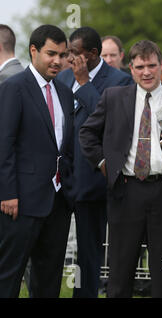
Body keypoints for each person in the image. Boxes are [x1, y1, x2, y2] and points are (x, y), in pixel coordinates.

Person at [79, 39, 162, 298]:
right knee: (119, 273)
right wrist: (105, 165)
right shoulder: (113, 97)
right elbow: (87, 133)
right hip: (126, 191)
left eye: (151, 65)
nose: (146, 72)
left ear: (161, 66)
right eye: (139, 67)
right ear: (131, 69)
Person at [57, 26, 133, 298]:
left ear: (91, 54)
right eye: (68, 53)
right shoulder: (63, 78)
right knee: (54, 250)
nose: (69, 59)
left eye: (75, 53)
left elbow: (112, 122)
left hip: (93, 181)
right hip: (62, 180)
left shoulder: (120, 81)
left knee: (89, 252)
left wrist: (85, 84)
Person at [0, 24, 75, 298]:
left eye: (62, 55)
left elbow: (66, 147)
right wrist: (7, 193)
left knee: (49, 279)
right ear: (34, 51)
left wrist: (70, 189)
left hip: (58, 203)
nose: (58, 61)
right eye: (51, 53)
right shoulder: (13, 88)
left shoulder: (65, 93)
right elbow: (3, 145)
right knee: (9, 275)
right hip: (19, 203)